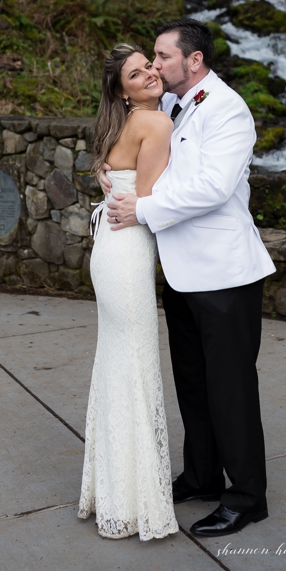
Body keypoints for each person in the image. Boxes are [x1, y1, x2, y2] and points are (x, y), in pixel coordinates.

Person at [103, 18, 276, 538]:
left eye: (162, 56)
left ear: (193, 61)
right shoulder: (171, 107)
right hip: (180, 273)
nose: (154, 65)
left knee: (232, 389)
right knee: (195, 386)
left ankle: (246, 497)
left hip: (225, 274)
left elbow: (212, 188)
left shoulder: (227, 109)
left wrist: (143, 208)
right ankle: (201, 476)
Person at [76, 44, 177, 540]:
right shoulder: (156, 124)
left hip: (108, 249)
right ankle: (134, 501)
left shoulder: (119, 124)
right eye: (136, 74)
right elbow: (155, 196)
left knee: (117, 363)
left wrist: (120, 191)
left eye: (150, 67)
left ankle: (113, 492)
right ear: (122, 89)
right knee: (135, 365)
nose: (149, 76)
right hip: (130, 248)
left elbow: (108, 175)